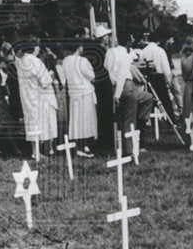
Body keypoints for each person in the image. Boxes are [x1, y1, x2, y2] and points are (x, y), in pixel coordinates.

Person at [106, 37, 154, 155]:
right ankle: (128, 151)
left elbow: (107, 68)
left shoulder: (110, 52)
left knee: (148, 97)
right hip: (124, 85)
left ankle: (140, 120)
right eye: (131, 40)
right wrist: (117, 95)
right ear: (128, 43)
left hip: (114, 84)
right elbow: (122, 75)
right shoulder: (126, 55)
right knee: (129, 120)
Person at [14, 37, 59, 157]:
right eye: (38, 46)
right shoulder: (35, 61)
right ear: (34, 47)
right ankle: (45, 150)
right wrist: (51, 75)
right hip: (40, 96)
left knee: (32, 122)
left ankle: (36, 150)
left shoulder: (21, 61)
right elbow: (44, 81)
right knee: (45, 121)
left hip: (28, 96)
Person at [57, 39, 98, 156]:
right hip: (85, 92)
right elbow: (92, 77)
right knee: (87, 119)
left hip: (73, 93)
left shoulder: (65, 61)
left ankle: (80, 144)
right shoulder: (82, 61)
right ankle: (84, 145)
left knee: (76, 119)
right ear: (79, 47)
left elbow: (64, 77)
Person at [137, 32, 180, 126]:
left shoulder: (143, 51)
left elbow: (140, 65)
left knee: (150, 99)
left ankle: (151, 121)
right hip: (158, 77)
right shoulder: (160, 51)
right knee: (165, 100)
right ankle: (171, 121)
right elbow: (166, 67)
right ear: (158, 41)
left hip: (147, 78)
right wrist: (168, 80)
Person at [90, 25, 117, 154]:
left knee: (101, 112)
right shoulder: (103, 51)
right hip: (104, 83)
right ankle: (107, 140)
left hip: (98, 84)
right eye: (106, 36)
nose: (108, 38)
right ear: (103, 38)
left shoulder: (93, 50)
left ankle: (103, 139)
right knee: (106, 112)